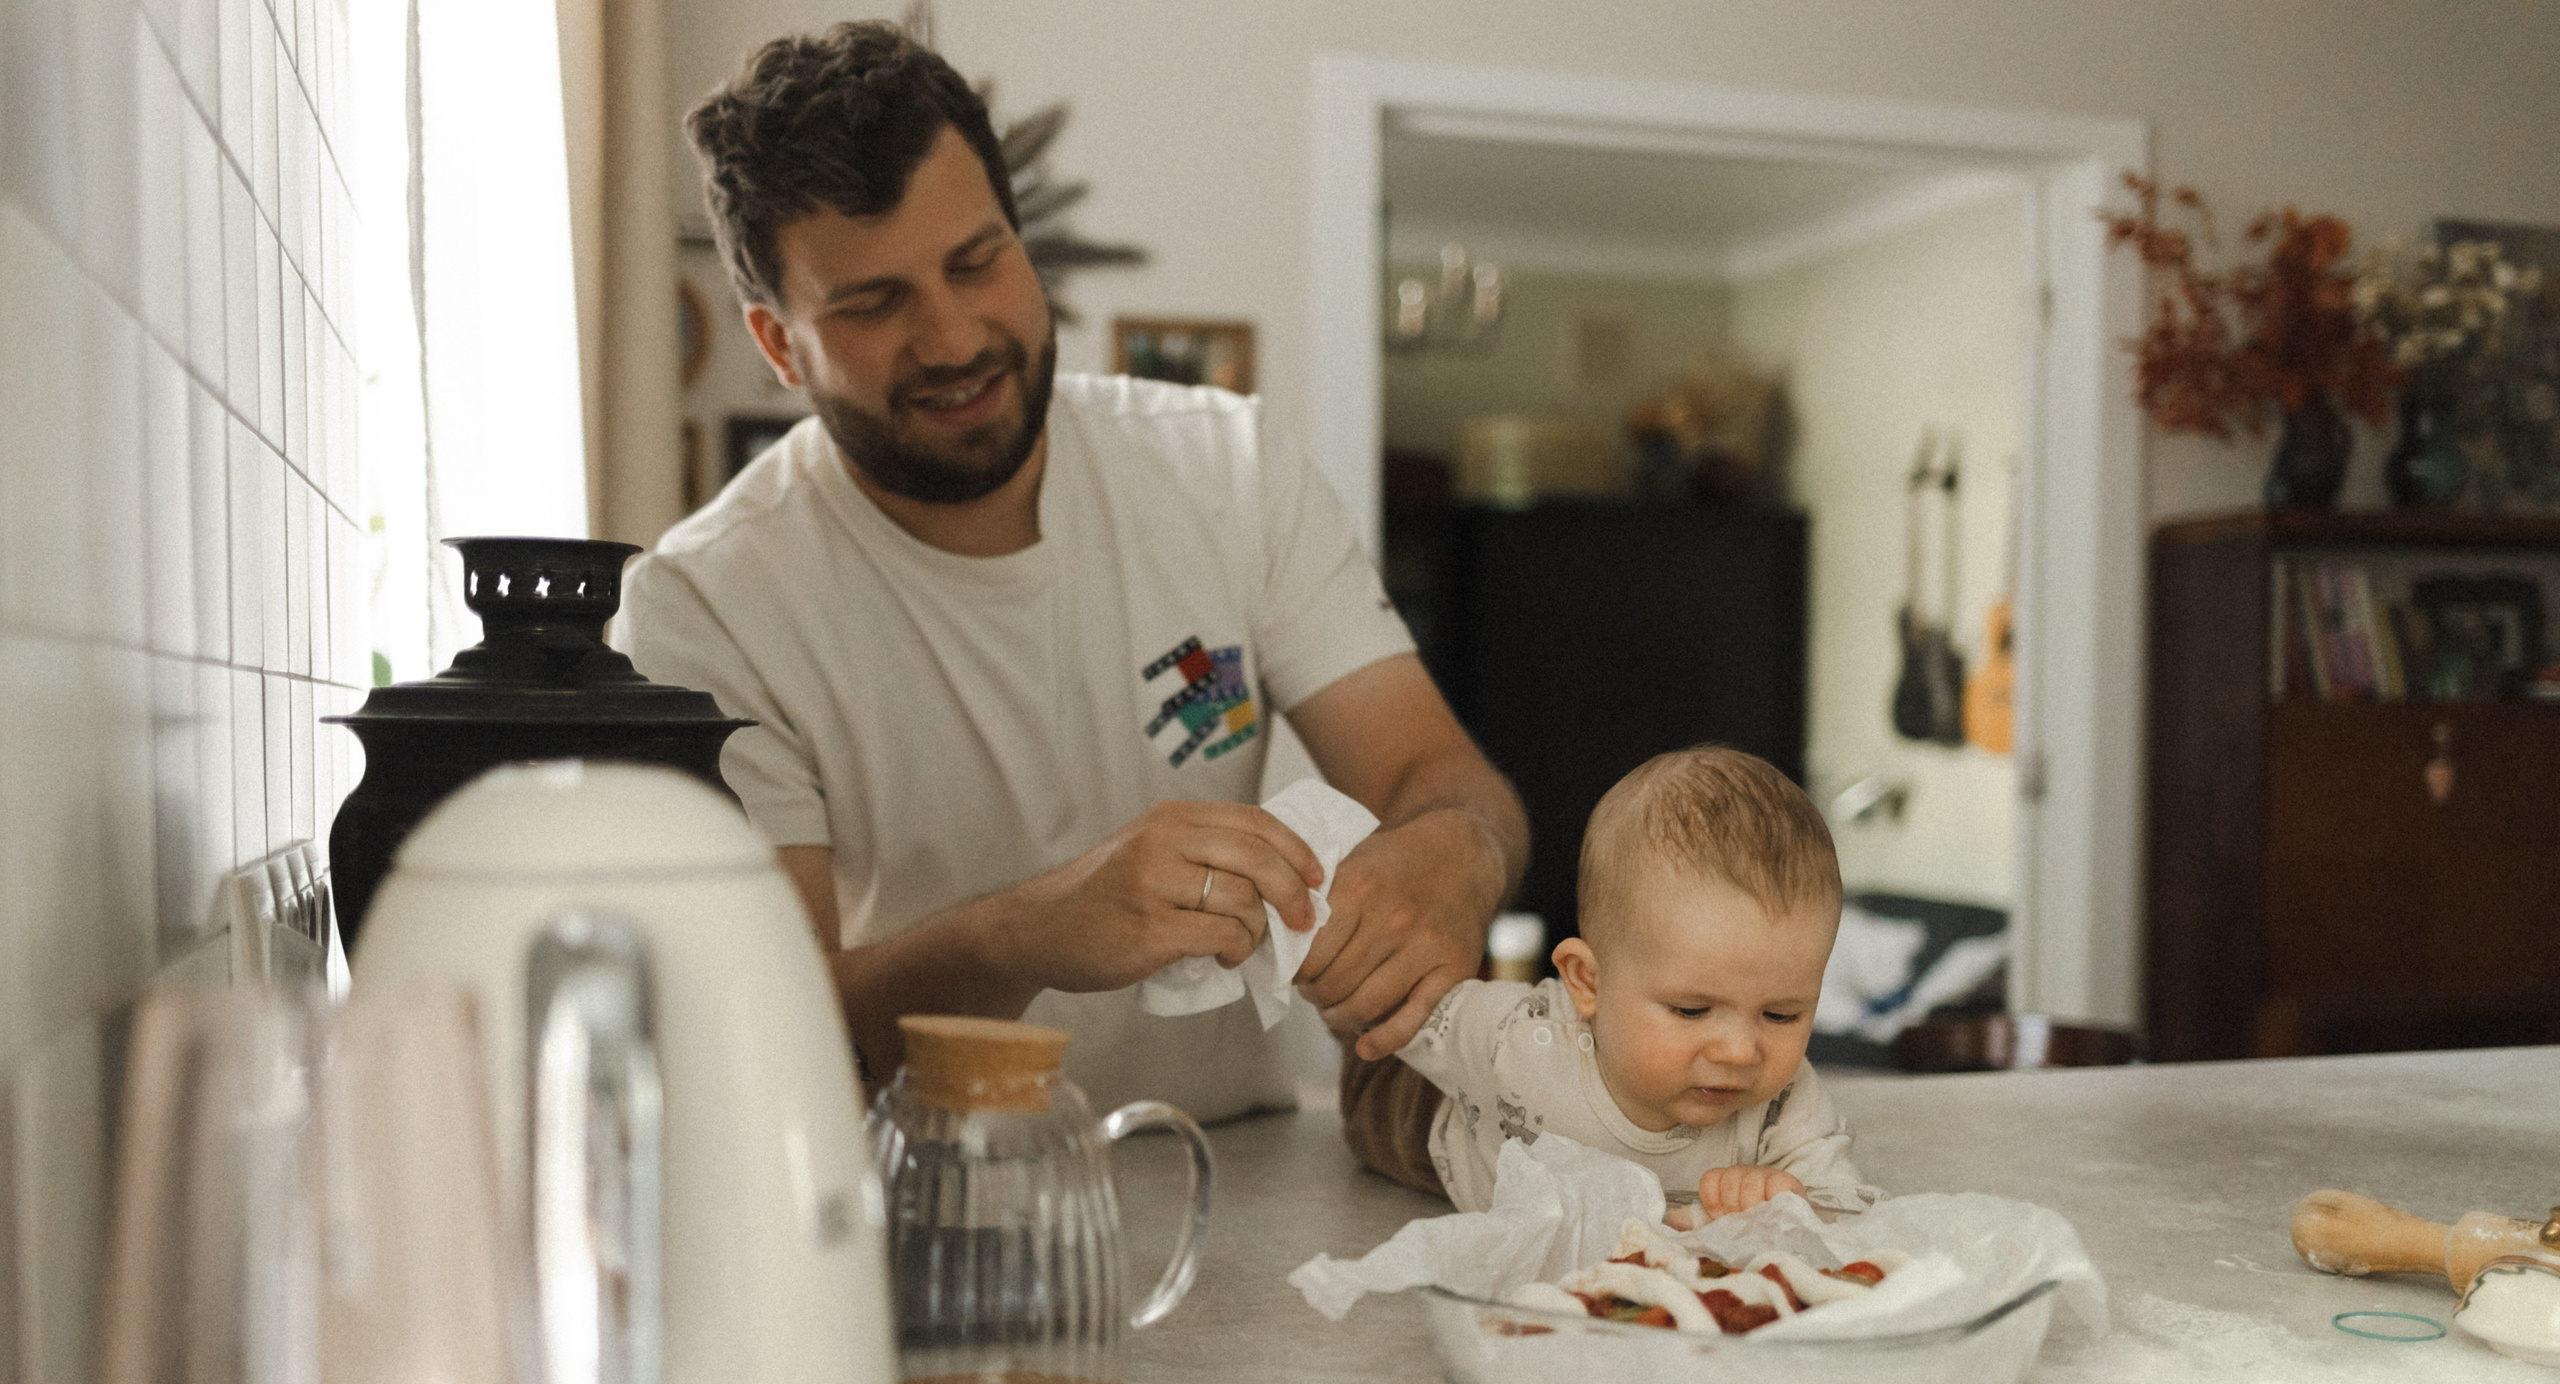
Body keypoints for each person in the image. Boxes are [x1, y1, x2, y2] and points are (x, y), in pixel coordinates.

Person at [617, 23, 1526, 1118]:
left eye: (977, 261)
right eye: (873, 304)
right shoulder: (706, 606)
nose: (952, 337)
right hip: (929, 1191)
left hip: (1245, 1166)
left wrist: (1456, 855)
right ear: (777, 344)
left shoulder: (1227, 469)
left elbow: (1440, 776)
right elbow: (770, 1019)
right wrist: (1029, 933)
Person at [1341, 745, 1881, 1221]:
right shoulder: (1521, 1036)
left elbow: (1850, 1210)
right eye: (1692, 1010)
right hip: (1441, 1121)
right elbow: (1409, 1007)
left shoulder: (1784, 1104)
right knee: (1379, 1064)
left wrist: (1787, 1197)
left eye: (1781, 1014)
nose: (1740, 1052)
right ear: (1587, 982)